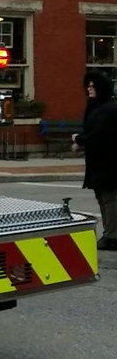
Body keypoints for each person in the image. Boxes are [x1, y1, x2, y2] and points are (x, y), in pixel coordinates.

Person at [72, 72, 117, 251]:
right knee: (102, 197)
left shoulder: (109, 109)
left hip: (110, 161)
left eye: (93, 86)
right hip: (98, 161)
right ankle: (109, 233)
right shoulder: (96, 107)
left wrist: (79, 139)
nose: (89, 89)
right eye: (88, 86)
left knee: (109, 198)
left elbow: (100, 134)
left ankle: (113, 236)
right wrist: (81, 139)